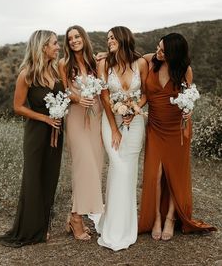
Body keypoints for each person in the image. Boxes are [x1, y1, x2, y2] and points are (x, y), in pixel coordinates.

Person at [138, 33, 216, 241]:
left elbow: (188, 99)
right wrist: (102, 56)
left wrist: (189, 111)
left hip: (176, 128)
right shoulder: (150, 60)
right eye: (158, 47)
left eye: (163, 50)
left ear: (174, 53)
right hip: (155, 126)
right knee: (155, 173)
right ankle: (156, 217)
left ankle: (171, 218)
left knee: (174, 172)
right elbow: (129, 57)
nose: (158, 52)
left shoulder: (185, 71)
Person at [0, 30, 64, 248]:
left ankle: (43, 227)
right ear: (43, 47)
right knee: (33, 179)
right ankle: (30, 229)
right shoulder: (27, 74)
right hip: (36, 133)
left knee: (50, 177)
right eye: (54, 43)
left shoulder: (55, 71)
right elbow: (17, 107)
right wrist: (44, 117)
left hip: (56, 133)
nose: (58, 46)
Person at [96, 26, 148, 251]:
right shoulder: (104, 64)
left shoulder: (142, 64)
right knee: (118, 168)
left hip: (135, 122)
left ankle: (126, 226)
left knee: (129, 172)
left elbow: (146, 93)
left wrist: (134, 109)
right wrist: (114, 128)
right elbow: (105, 98)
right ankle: (113, 228)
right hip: (111, 123)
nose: (109, 41)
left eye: (112, 37)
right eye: (107, 38)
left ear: (123, 38)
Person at [58, 25, 104, 240]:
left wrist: (108, 54)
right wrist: (77, 98)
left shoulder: (94, 62)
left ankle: (76, 214)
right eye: (70, 39)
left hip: (96, 117)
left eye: (77, 36)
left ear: (84, 38)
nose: (74, 40)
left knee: (94, 166)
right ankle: (76, 218)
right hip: (76, 118)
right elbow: (65, 91)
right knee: (83, 166)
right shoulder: (64, 64)